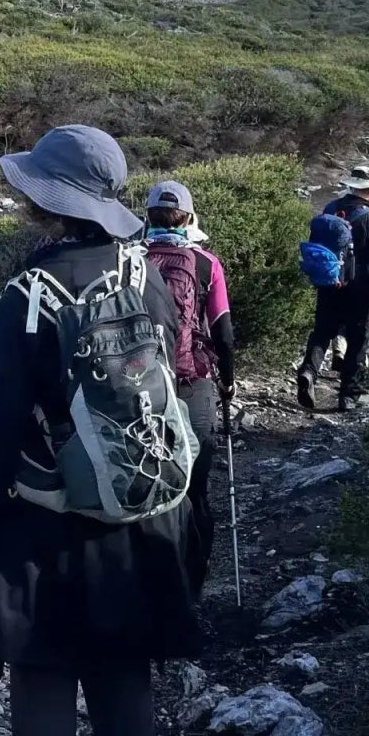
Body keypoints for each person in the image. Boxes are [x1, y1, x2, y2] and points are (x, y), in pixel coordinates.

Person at [0, 126, 198, 736]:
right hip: (139, 528)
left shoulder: (28, 296)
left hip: (44, 540)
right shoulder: (147, 275)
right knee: (128, 728)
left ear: (45, 200)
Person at [140, 179, 236, 595]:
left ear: (147, 217)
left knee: (146, 481)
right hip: (190, 381)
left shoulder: (129, 259)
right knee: (194, 488)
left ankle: (146, 576)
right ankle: (192, 584)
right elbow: (223, 332)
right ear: (190, 218)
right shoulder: (203, 263)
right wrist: (227, 381)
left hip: (139, 385)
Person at [296, 168, 369, 414]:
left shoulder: (330, 209)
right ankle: (349, 395)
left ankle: (309, 371)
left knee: (322, 332)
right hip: (359, 291)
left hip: (329, 285)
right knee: (358, 341)